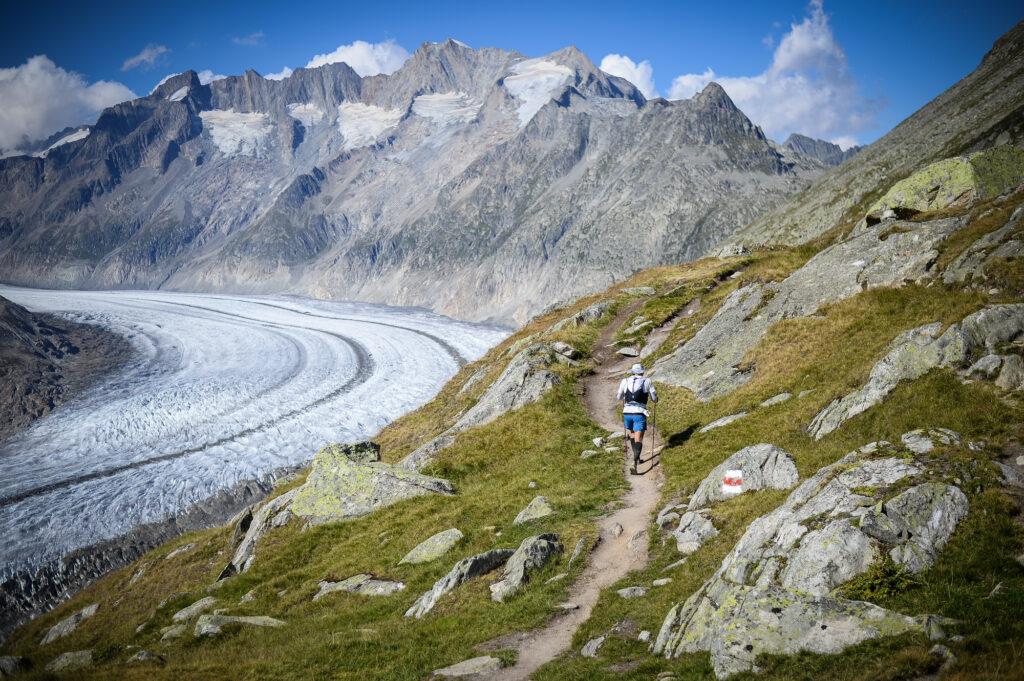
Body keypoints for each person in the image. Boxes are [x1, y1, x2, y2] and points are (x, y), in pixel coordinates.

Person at [616, 363, 657, 475]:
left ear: (633, 371)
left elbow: (619, 397)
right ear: (642, 371)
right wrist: (655, 399)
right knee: (639, 437)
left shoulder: (625, 381)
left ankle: (637, 458)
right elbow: (654, 398)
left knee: (633, 435)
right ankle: (633, 462)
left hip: (627, 413)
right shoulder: (647, 381)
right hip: (639, 412)